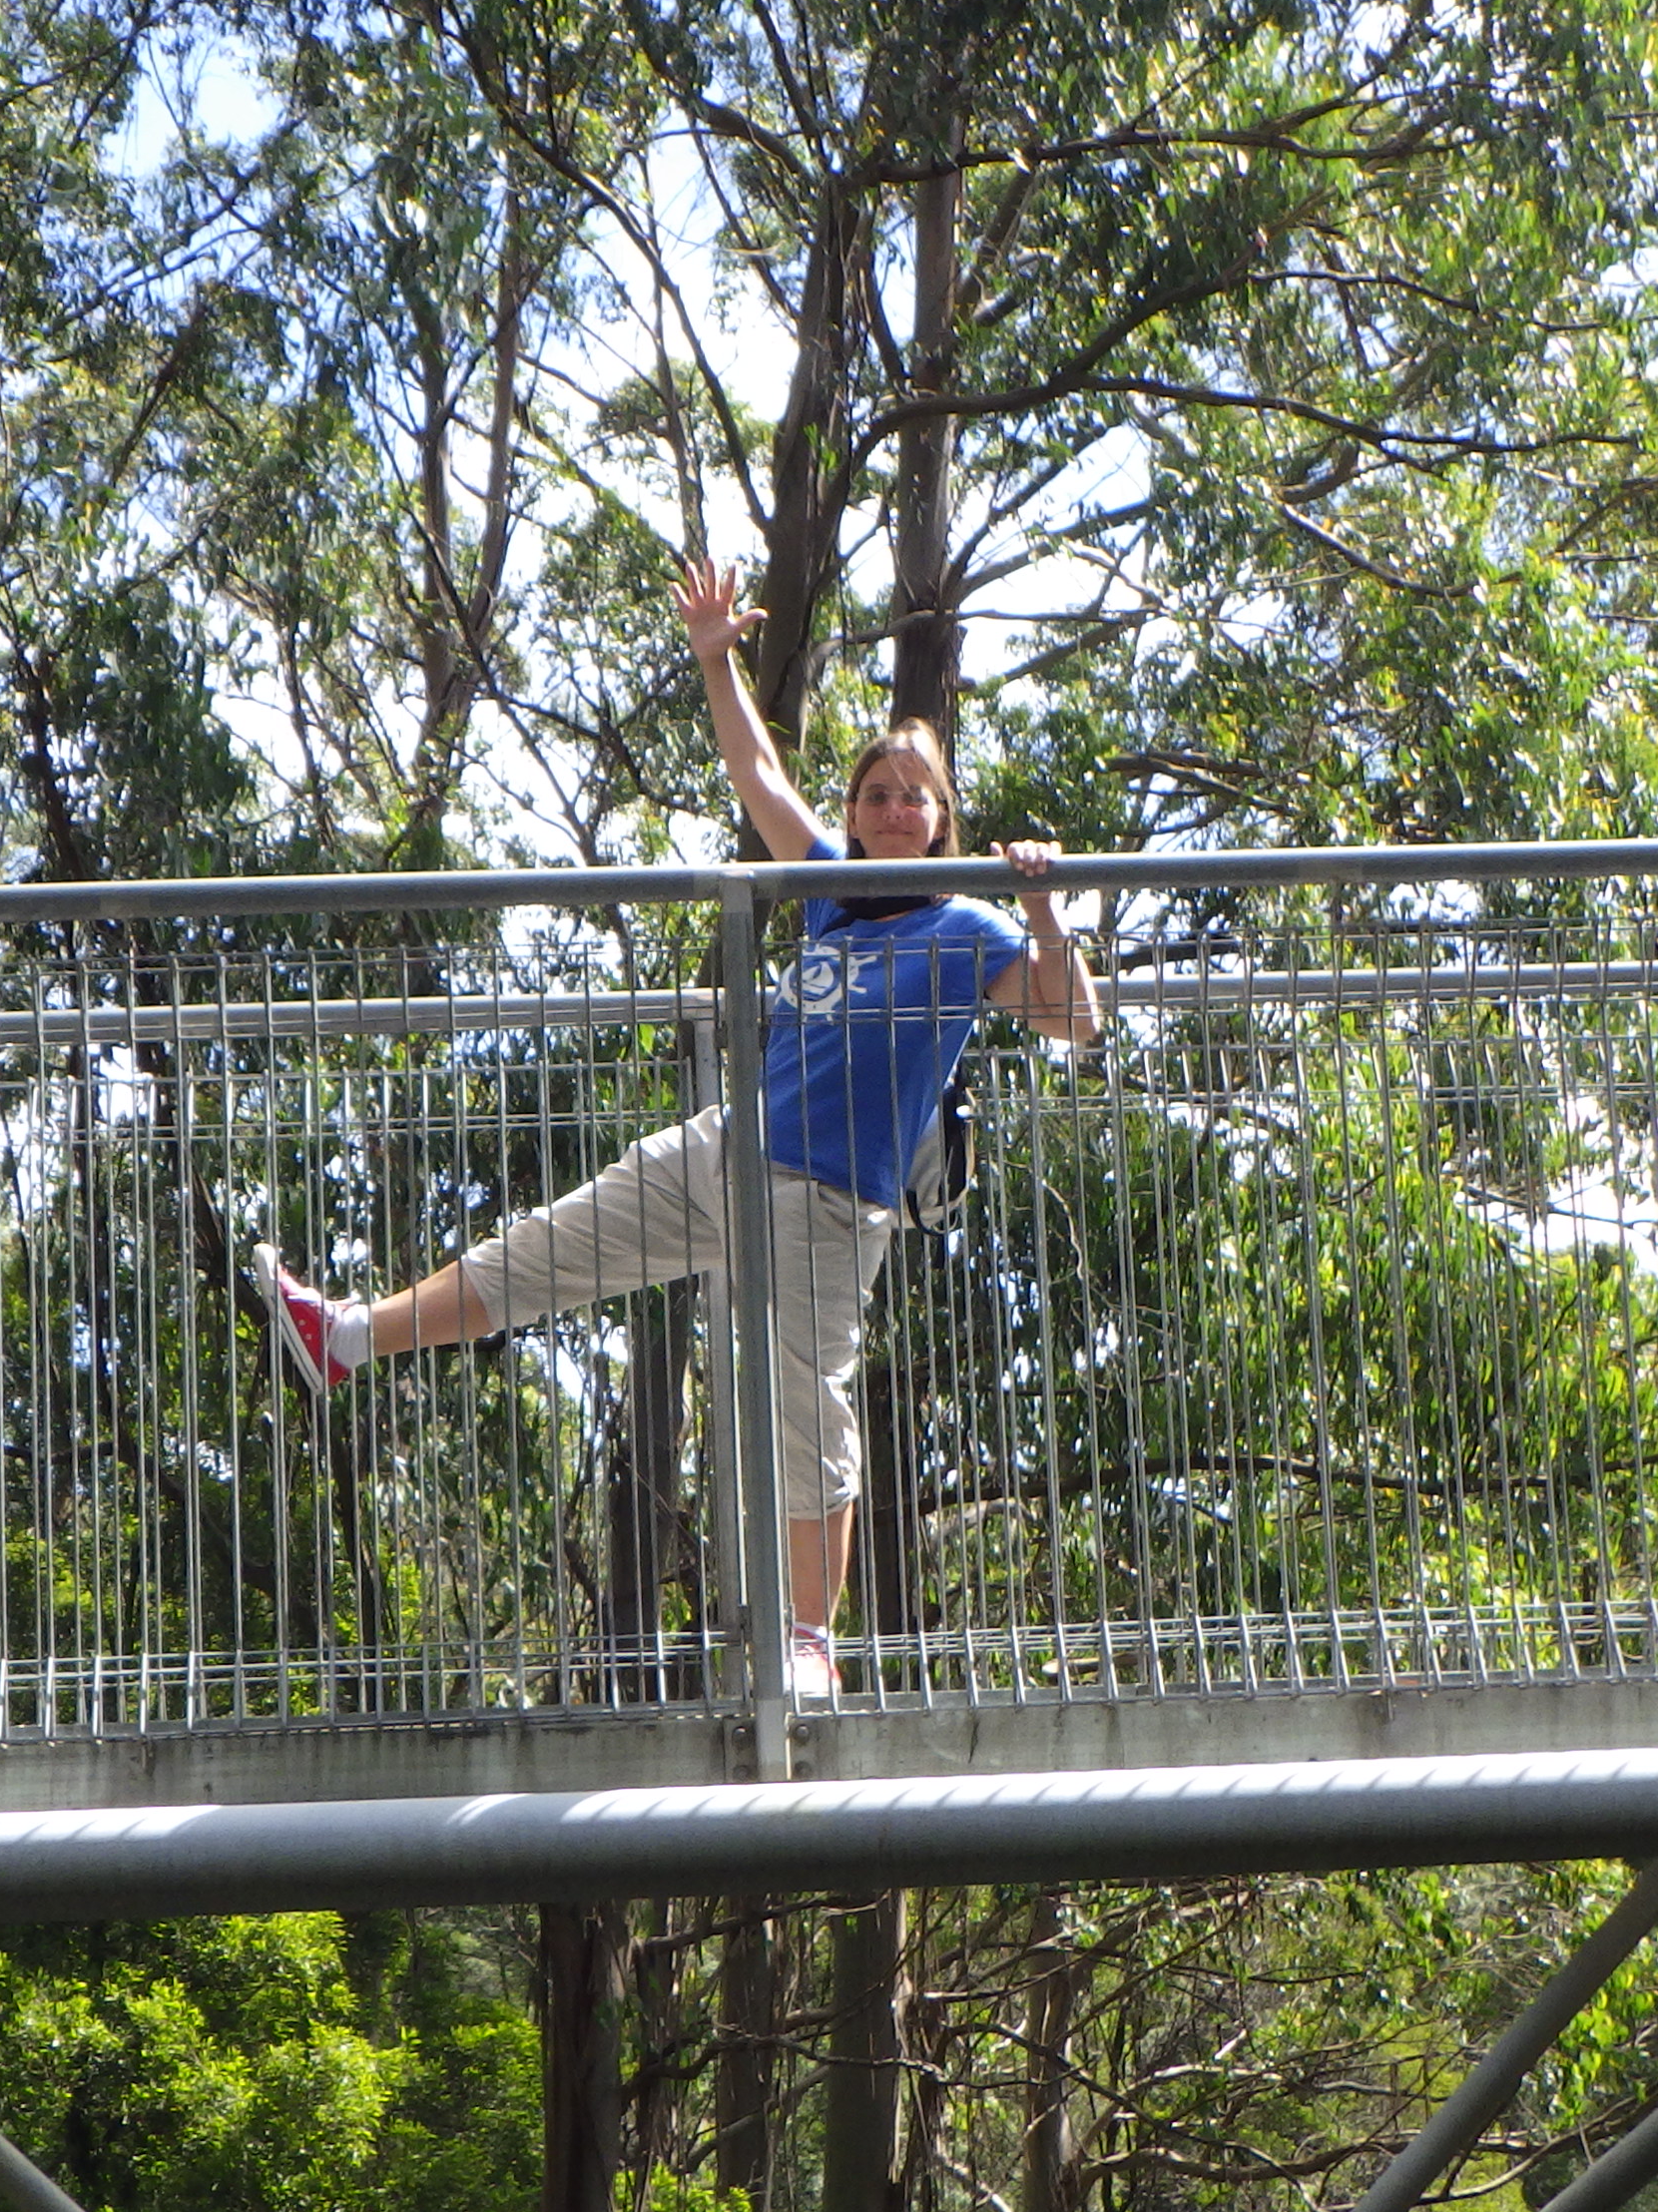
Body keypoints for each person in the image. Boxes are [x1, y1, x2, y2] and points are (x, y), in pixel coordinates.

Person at [243, 557, 1100, 1699]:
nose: (893, 809)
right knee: (542, 1250)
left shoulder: (971, 926)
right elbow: (755, 770)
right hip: (728, 1153)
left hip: (834, 1207)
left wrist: (1046, 907)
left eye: (914, 796)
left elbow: (1073, 1022)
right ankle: (343, 1339)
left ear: (945, 818)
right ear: (855, 813)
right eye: (876, 793)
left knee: (809, 1415)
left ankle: (808, 1645)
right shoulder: (832, 885)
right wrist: (714, 655)